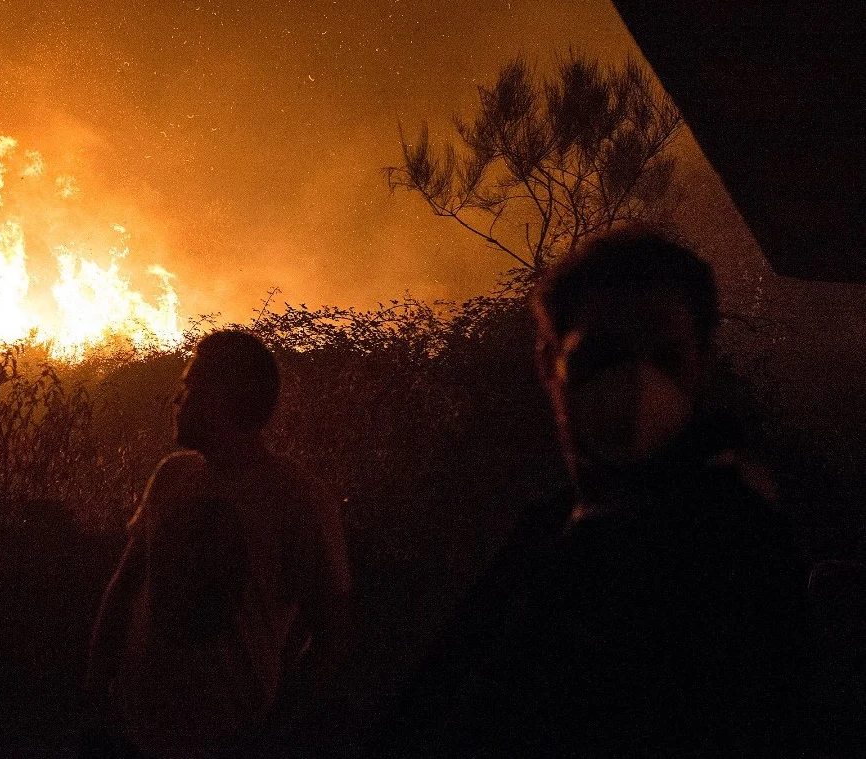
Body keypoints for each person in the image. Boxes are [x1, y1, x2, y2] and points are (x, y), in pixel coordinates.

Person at [386, 231, 806, 757]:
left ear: (701, 366)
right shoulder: (555, 527)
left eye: (665, 356)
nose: (635, 384)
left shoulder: (730, 551)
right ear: (547, 364)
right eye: (602, 356)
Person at [88, 330, 353, 759]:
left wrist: (275, 732)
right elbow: (125, 586)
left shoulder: (297, 498)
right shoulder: (173, 475)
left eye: (188, 387)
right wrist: (97, 694)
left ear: (221, 399)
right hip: (135, 733)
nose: (177, 400)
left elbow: (333, 632)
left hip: (227, 740)